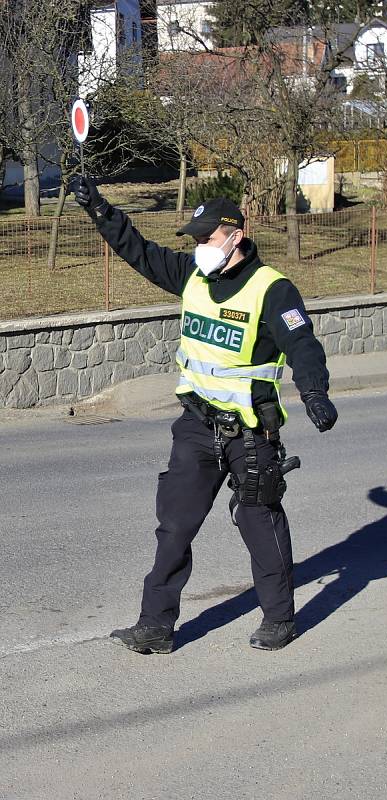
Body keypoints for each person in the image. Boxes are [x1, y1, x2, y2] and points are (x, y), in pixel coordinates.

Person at [73, 176, 338, 653]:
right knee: (174, 526)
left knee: (258, 520)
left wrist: (314, 392)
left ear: (235, 235)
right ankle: (155, 627)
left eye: (206, 238)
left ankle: (279, 618)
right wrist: (99, 208)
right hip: (196, 425)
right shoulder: (192, 276)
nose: (199, 248)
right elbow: (139, 251)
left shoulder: (271, 289)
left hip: (251, 431)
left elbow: (302, 343)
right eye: (195, 240)